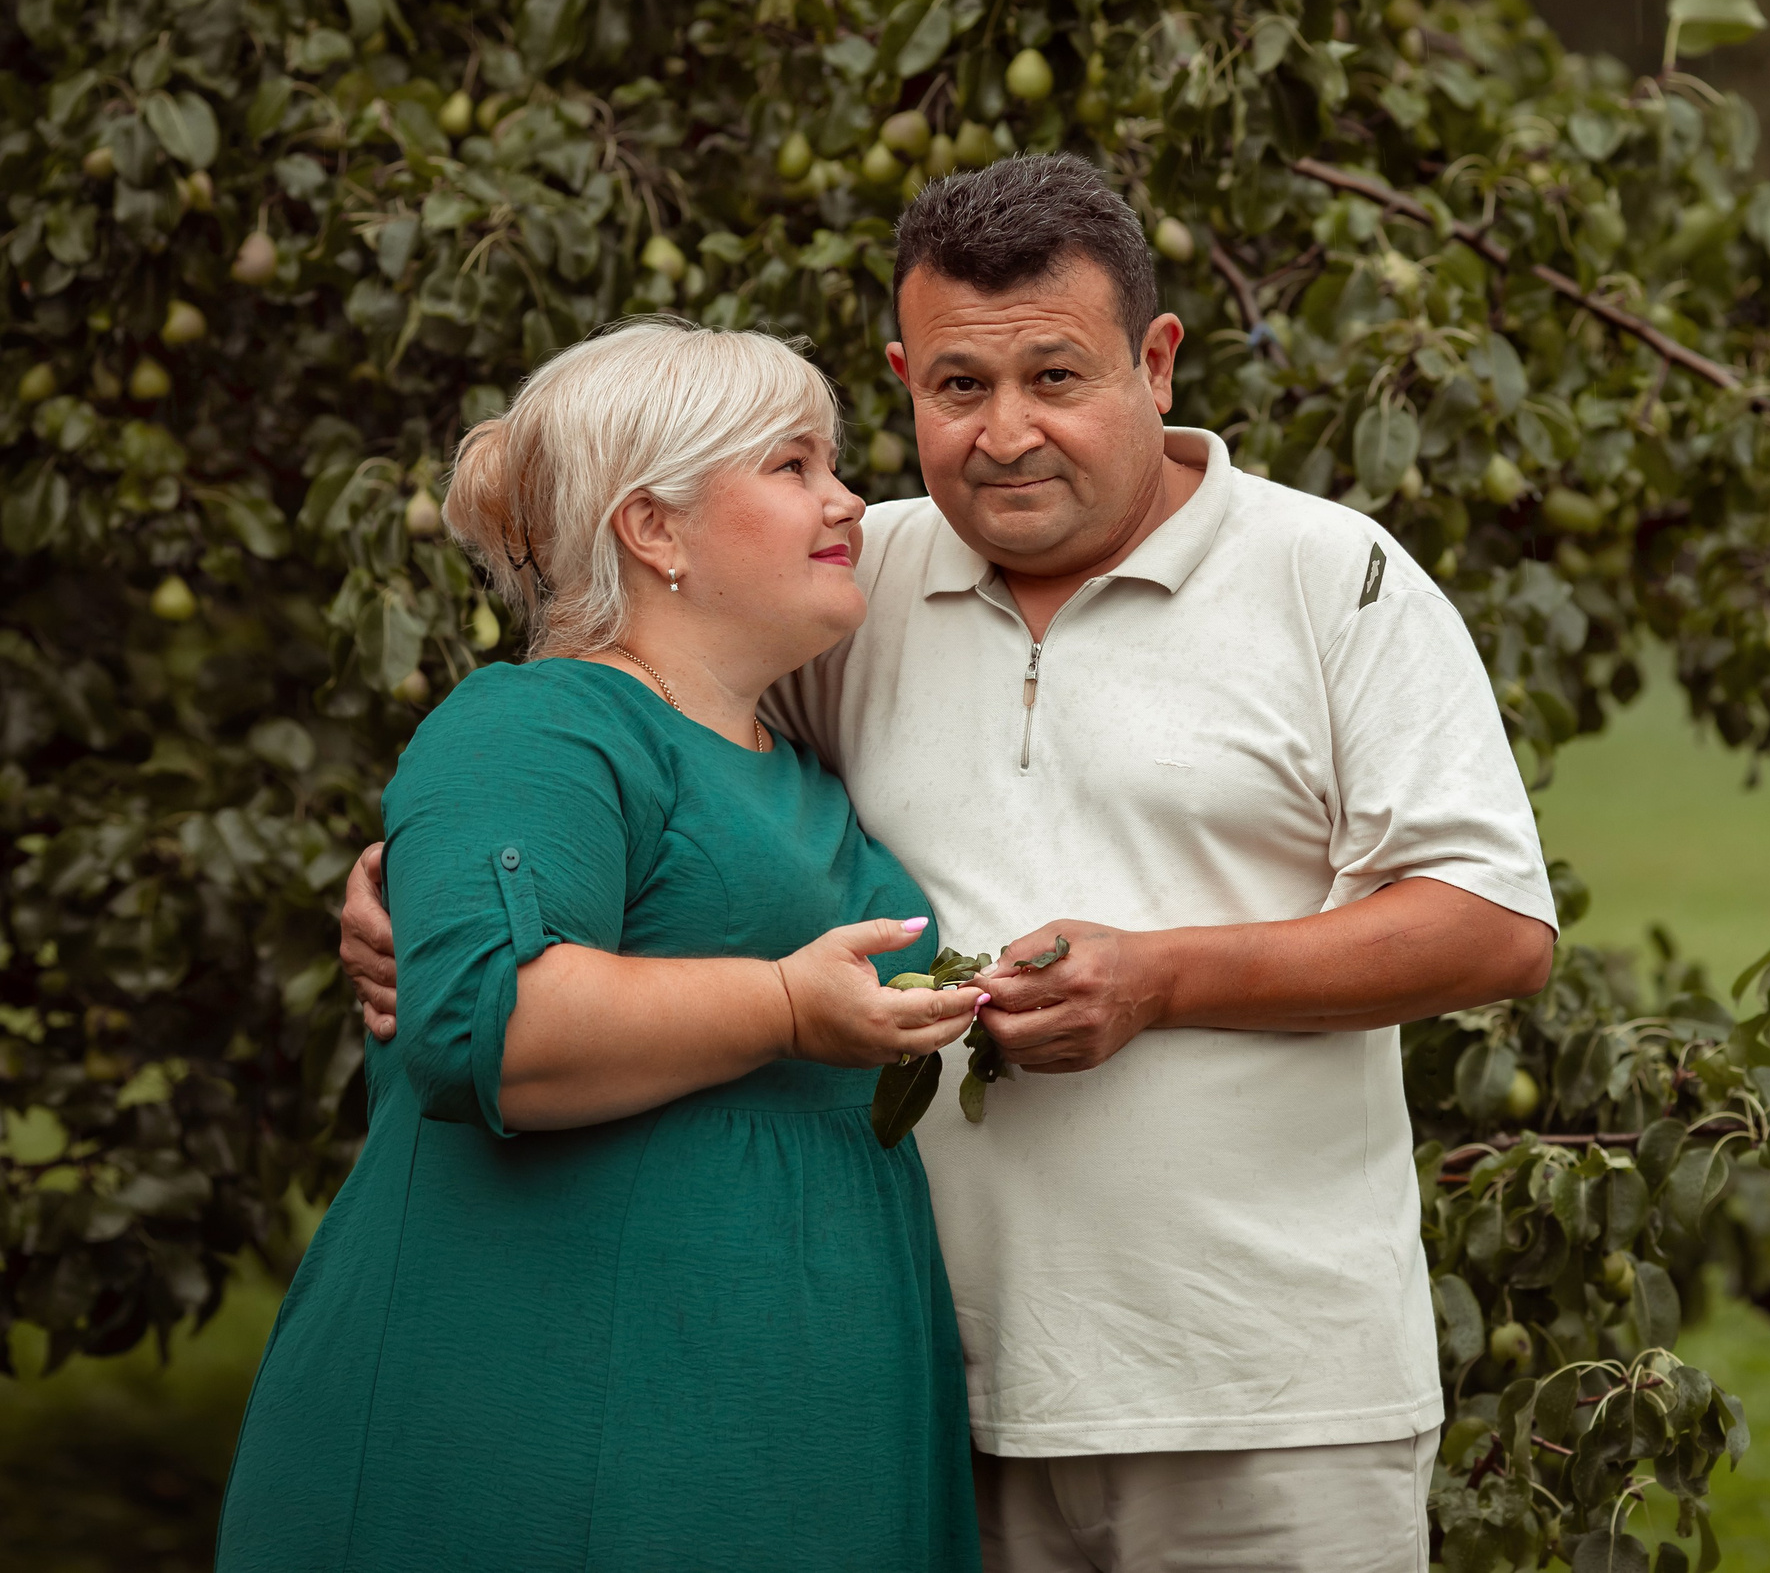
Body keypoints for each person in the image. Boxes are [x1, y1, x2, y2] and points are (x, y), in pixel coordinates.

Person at [341, 154, 1558, 1571]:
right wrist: (409, 891)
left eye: (1059, 375)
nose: (1007, 433)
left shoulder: (1328, 577)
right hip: (929, 1382)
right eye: (959, 389)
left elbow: (1493, 925)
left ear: (1156, 363)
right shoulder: (850, 588)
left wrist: (1162, 978)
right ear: (907, 374)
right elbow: (643, 745)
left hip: (1265, 1390)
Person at [223, 320, 983, 1570]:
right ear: (655, 529)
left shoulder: (801, 771)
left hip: (790, 1442)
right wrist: (786, 1008)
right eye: (792, 466)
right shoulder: (541, 726)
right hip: (563, 1426)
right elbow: (491, 1031)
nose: (848, 496)